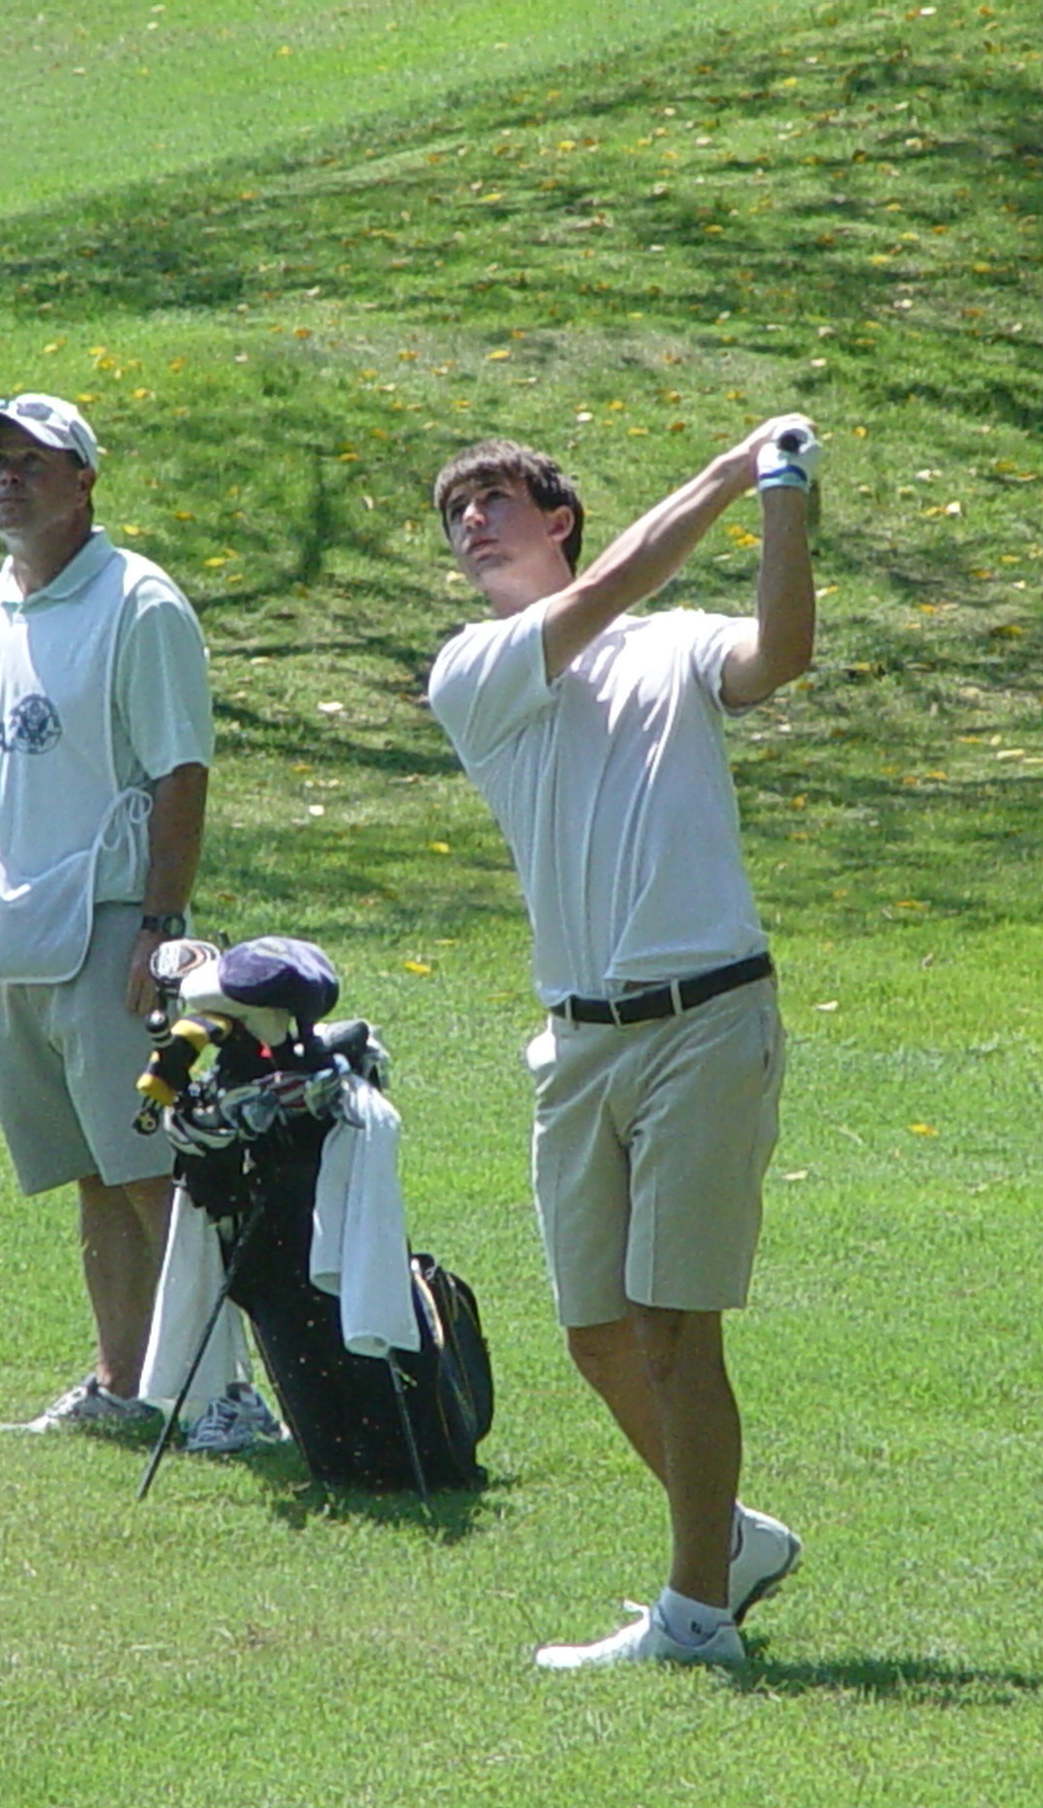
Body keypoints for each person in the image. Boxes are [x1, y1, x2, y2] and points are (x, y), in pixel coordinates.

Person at [423, 416, 819, 1668]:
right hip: (577, 1042)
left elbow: (782, 655)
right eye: (456, 517)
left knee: (669, 1325)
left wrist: (786, 503)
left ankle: (696, 1615)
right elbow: (612, 588)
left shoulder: (676, 647)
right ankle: (732, 1537)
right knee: (597, 1335)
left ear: (558, 518)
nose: (472, 526)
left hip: (706, 1017)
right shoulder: (473, 669)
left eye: (494, 502)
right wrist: (730, 468)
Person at [0, 391, 278, 1455]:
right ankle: (122, 1384)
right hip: (7, 937)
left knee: (152, 1172)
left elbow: (180, 772)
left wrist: (160, 928)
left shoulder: (140, 604)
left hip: (112, 926)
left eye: (35, 460)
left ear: (84, 482)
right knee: (88, 1172)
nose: (8, 478)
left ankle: (226, 1396)